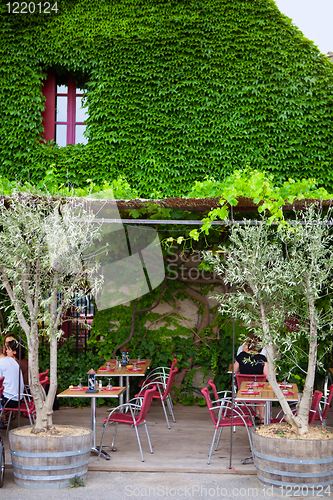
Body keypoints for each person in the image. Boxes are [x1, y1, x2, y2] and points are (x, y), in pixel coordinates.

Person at [234, 335, 268, 424]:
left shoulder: (241, 356)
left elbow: (235, 370)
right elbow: (267, 375)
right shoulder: (262, 358)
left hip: (243, 389)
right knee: (261, 394)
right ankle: (262, 418)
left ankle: (244, 416)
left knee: (241, 389)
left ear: (248, 344)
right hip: (258, 389)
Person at [0, 341, 24, 428]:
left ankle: (3, 421)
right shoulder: (11, 360)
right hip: (19, 399)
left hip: (10, 401)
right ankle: (3, 421)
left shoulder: (1, 363)